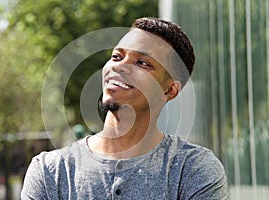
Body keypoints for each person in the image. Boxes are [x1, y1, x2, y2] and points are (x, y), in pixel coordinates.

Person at [21, 17, 228, 199]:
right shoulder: (50, 171)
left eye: (143, 63)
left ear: (170, 91)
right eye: (117, 56)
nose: (119, 66)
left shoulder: (194, 170)